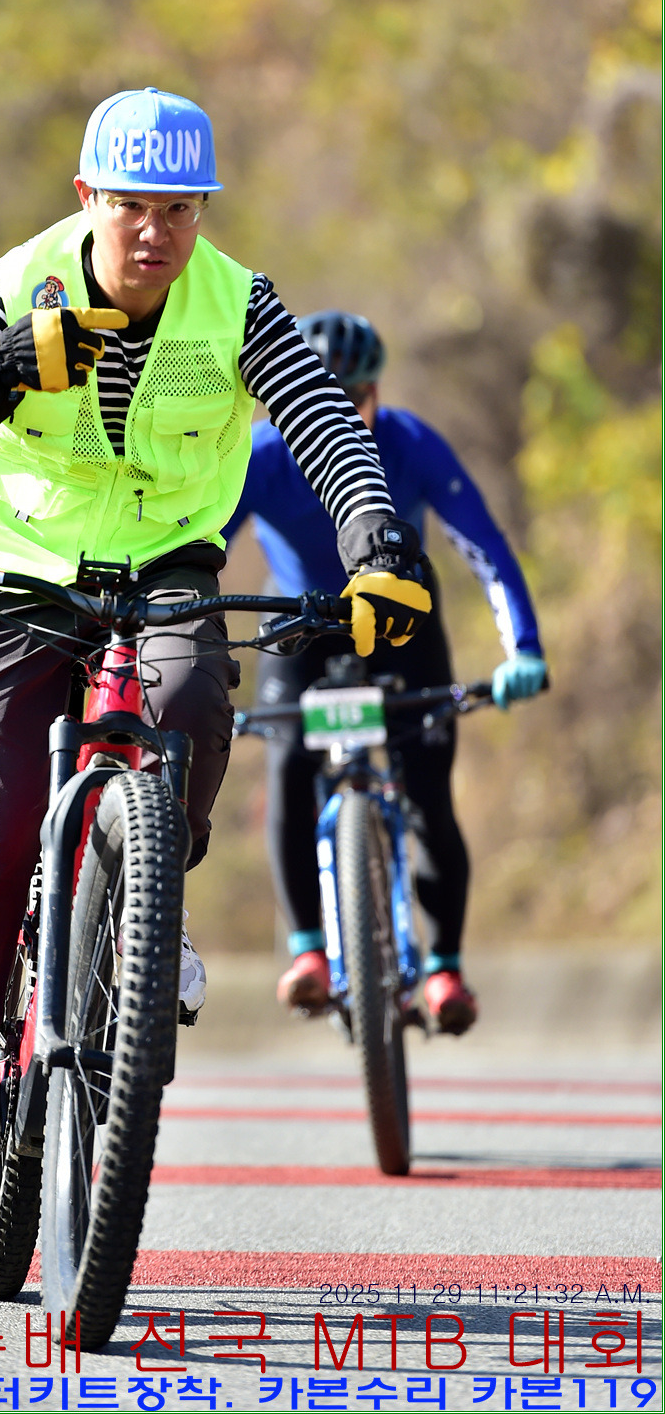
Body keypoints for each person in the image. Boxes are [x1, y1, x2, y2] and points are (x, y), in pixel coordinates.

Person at [0, 93, 431, 1206]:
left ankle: (146, 907)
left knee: (188, 696)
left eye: (180, 209)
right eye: (132, 205)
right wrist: (0, 371)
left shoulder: (237, 301)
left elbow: (324, 424)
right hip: (12, 573)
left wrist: (376, 549)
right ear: (88, 197)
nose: (155, 232)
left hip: (162, 563)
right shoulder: (8, 288)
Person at [225, 309, 547, 1036]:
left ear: (376, 392)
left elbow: (485, 545)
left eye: (355, 398)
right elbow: (201, 550)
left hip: (403, 621)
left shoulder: (410, 443)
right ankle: (309, 952)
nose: (341, 414)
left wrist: (523, 648)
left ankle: (445, 968)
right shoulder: (263, 455)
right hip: (302, 624)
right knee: (289, 765)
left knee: (429, 792)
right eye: (321, 398)